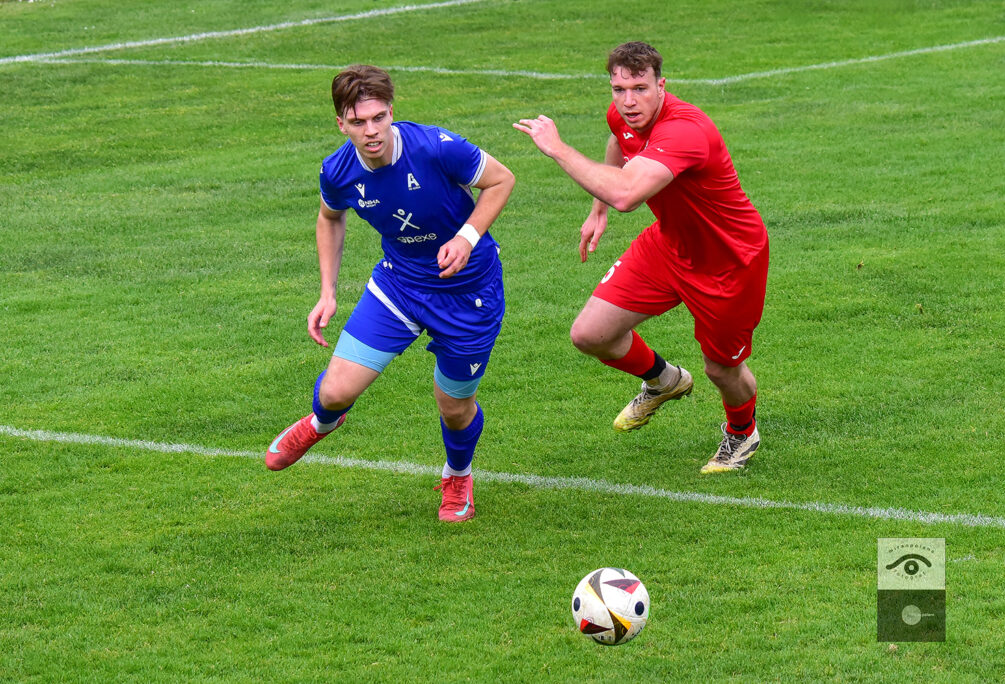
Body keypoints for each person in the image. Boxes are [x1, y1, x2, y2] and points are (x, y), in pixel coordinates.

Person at [267, 64, 515, 520]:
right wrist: (327, 292)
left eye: (378, 117)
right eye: (358, 122)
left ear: (391, 113)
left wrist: (467, 237)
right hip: (399, 285)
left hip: (468, 293)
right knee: (335, 391)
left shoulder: (435, 147)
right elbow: (329, 217)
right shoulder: (338, 171)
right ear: (341, 124)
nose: (371, 131)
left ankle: (457, 475)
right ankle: (321, 423)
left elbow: (502, 179)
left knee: (454, 408)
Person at [514, 42, 768, 473]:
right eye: (619, 89)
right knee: (590, 334)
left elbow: (628, 195)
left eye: (640, 89)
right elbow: (619, 141)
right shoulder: (624, 116)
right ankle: (665, 381)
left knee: (722, 369)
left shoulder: (685, 130)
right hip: (669, 244)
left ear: (661, 86)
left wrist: (558, 148)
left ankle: (742, 433)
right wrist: (597, 210)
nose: (628, 101)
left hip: (728, 261)